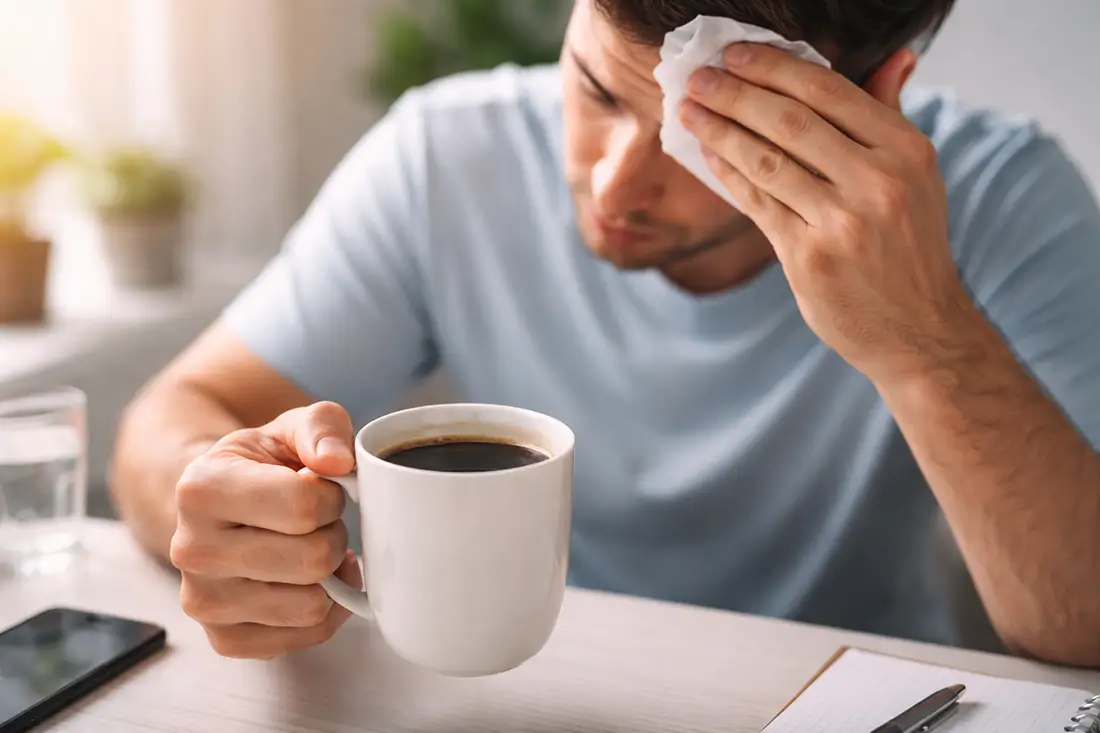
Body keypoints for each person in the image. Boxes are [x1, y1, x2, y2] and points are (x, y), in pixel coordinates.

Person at [110, 0, 1100, 666]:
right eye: (590, 91)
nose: (615, 183)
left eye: (693, 135)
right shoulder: (447, 156)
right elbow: (175, 420)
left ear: (871, 96)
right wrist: (221, 506)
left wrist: (922, 340)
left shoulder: (995, 197)